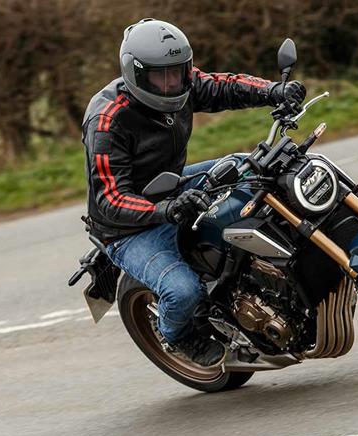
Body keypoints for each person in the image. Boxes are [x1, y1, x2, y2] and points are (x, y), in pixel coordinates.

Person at [81, 18, 305, 368]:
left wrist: (272, 92)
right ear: (137, 73)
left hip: (172, 185)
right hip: (128, 227)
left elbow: (221, 86)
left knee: (250, 167)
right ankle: (178, 336)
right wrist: (165, 210)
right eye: (161, 75)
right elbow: (110, 199)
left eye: (178, 72)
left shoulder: (181, 83)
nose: (172, 83)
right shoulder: (109, 120)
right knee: (182, 292)